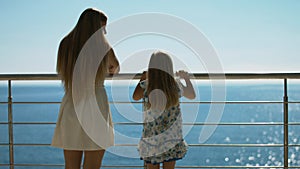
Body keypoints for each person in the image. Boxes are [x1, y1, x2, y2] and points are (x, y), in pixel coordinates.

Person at [51, 8, 119, 169]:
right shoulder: (103, 46)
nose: (105, 32)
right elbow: (114, 68)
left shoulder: (65, 44)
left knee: (71, 166)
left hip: (72, 103)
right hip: (96, 104)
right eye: (103, 28)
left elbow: (61, 69)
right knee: (93, 166)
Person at [132, 51, 195, 169]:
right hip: (171, 138)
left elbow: (135, 97)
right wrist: (186, 79)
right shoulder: (175, 86)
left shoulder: (147, 85)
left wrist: (142, 77)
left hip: (152, 138)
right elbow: (192, 95)